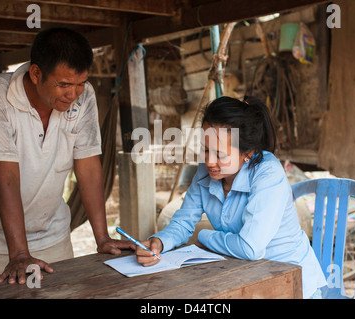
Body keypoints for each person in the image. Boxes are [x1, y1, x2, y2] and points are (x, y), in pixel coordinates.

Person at [0, 28, 135, 283]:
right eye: (63, 84)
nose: (73, 94)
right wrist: (20, 253)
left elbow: (87, 166)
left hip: (53, 237)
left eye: (80, 83)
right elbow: (6, 177)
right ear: (35, 74)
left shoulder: (83, 97)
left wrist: (102, 238)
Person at [136, 96, 327, 298]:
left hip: (292, 282)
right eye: (205, 150)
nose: (209, 162)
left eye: (219, 154)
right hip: (245, 277)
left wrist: (204, 236)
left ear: (248, 152)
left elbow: (250, 248)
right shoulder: (205, 172)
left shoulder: (268, 174)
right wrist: (160, 242)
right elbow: (183, 222)